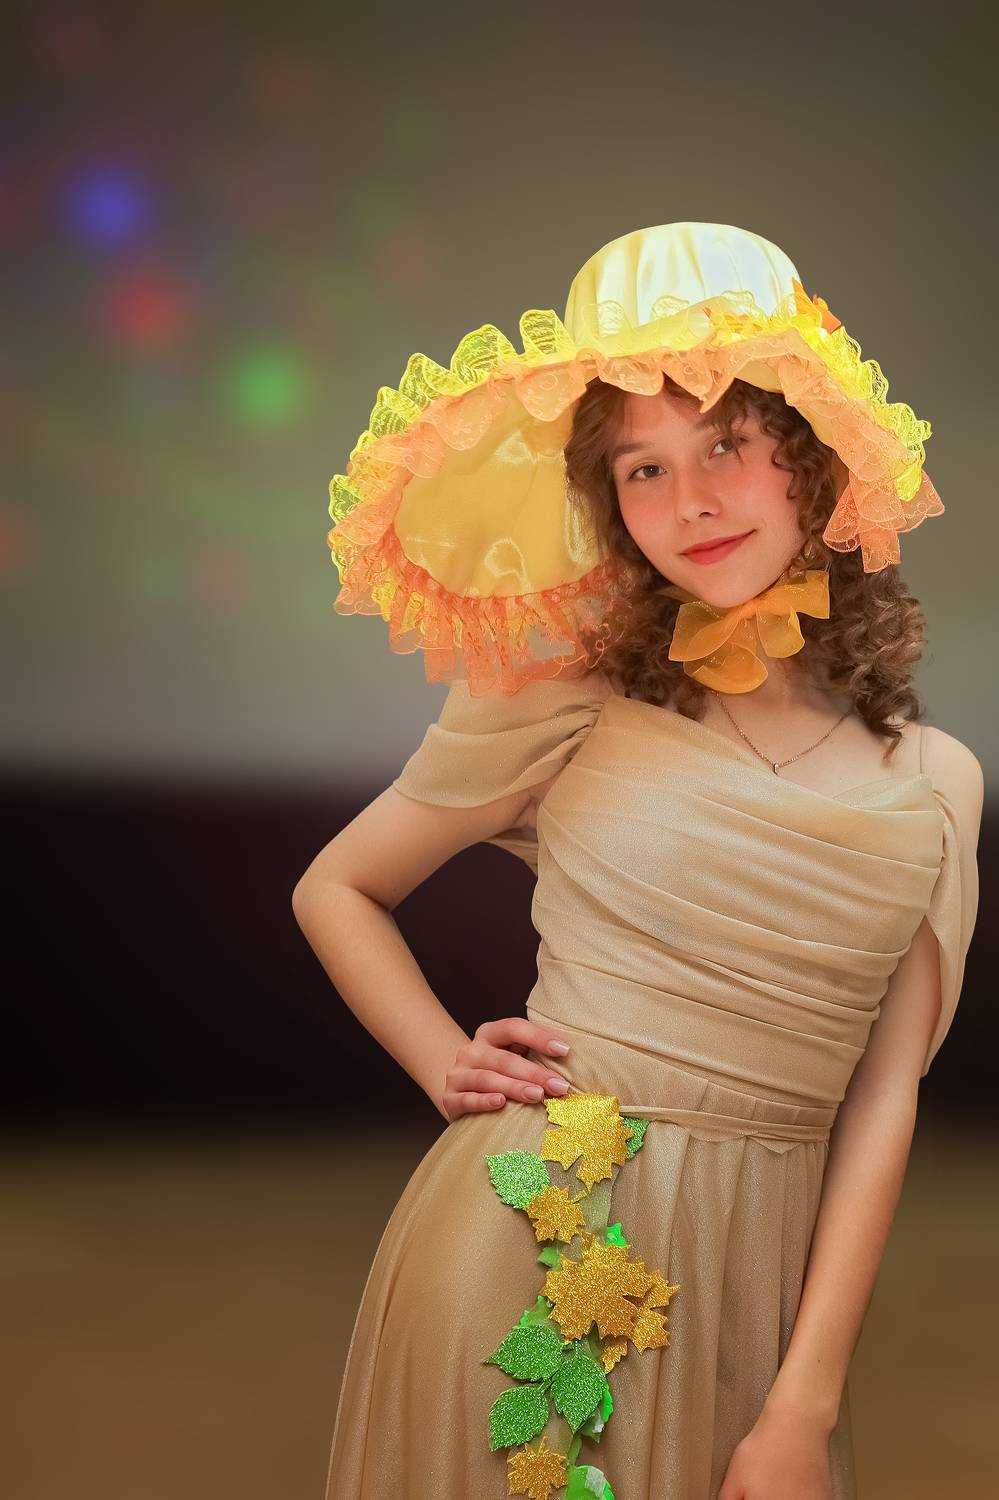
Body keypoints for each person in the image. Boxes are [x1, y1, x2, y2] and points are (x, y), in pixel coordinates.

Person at [292, 222, 983, 1500]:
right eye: (642, 468)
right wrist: (443, 1060)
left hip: (759, 1303)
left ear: (815, 455)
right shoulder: (568, 697)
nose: (692, 501)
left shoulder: (936, 783)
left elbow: (882, 1103)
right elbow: (335, 885)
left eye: (726, 442)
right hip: (523, 1254)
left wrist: (804, 1403)